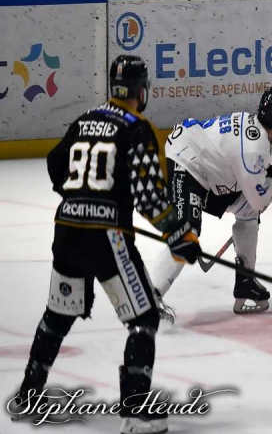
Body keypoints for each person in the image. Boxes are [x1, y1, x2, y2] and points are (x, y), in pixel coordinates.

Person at [9, 55, 202, 434]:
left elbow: (55, 163)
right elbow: (149, 198)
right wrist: (180, 235)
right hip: (107, 238)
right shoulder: (137, 128)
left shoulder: (85, 119)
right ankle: (135, 412)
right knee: (143, 318)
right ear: (140, 90)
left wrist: (80, 196)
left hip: (66, 230)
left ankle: (28, 396)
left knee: (57, 315)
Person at [151, 86, 272, 317]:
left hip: (208, 173)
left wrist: (265, 179)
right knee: (186, 233)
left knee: (247, 210)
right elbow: (259, 201)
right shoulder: (255, 147)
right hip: (186, 160)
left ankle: (245, 281)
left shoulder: (252, 127)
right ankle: (150, 296)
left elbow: (249, 194)